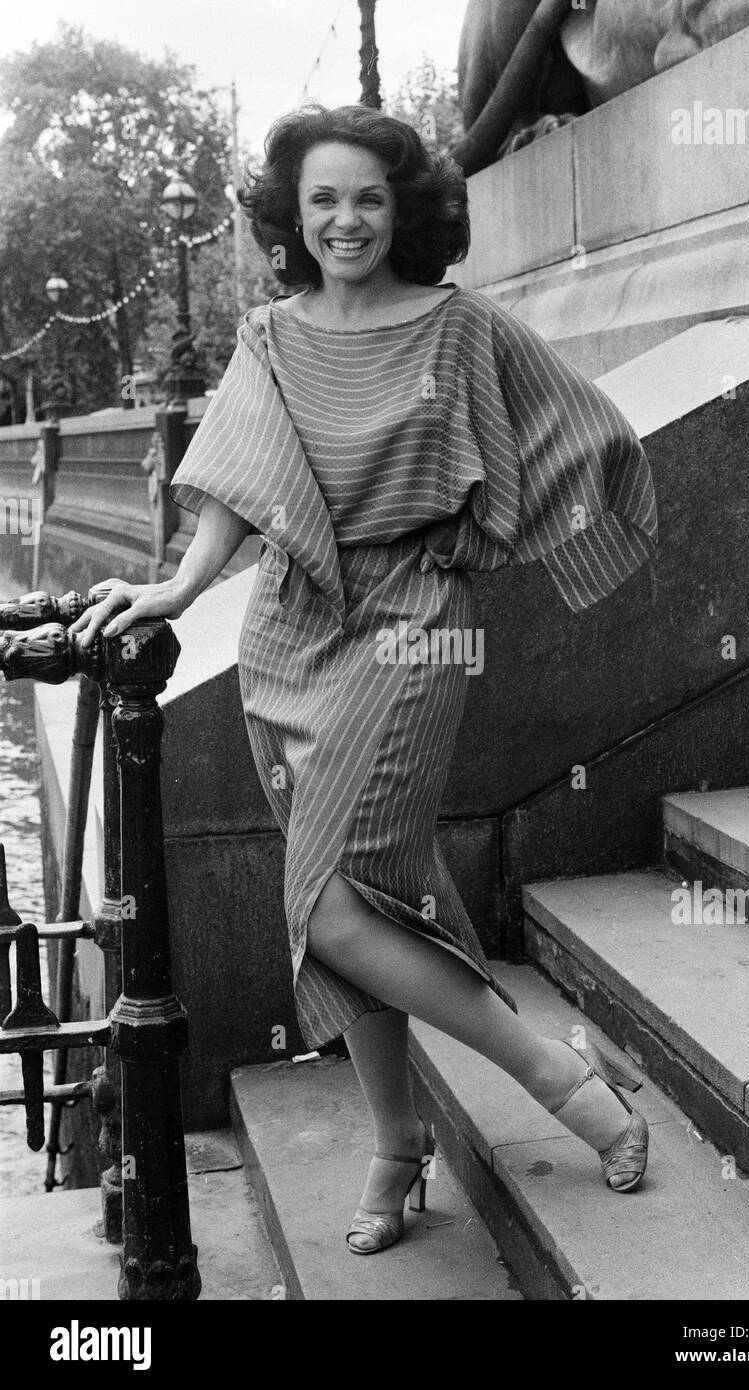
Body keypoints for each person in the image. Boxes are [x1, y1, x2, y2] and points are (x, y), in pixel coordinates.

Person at [70, 103, 657, 1257]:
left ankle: (563, 1079)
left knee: (328, 903)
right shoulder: (270, 337)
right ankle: (396, 1142)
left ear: (406, 211)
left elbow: (582, 436)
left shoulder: (455, 328)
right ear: (292, 216)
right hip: (290, 636)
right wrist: (182, 591)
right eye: (323, 200)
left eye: (369, 198)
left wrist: (484, 541)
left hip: (408, 635)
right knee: (371, 899)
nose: (345, 219)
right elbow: (237, 484)